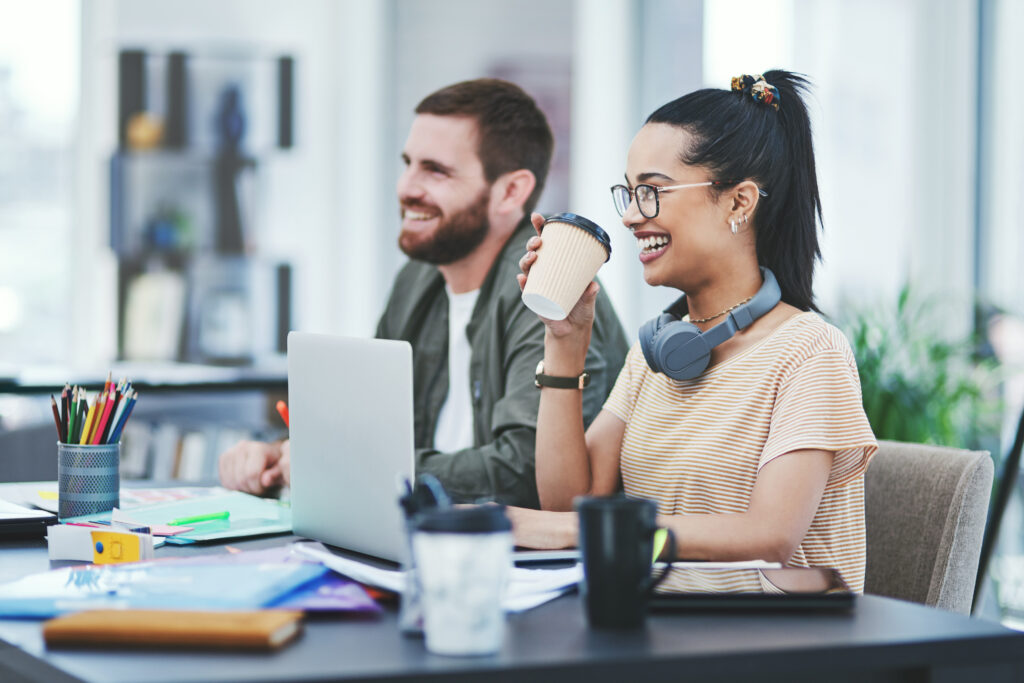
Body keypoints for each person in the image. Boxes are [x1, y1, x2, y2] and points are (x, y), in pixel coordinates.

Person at [511, 70, 877, 592]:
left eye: (653, 192)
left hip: (774, 650)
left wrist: (567, 530)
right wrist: (565, 340)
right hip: (659, 630)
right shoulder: (657, 353)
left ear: (738, 202)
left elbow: (768, 537)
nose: (633, 217)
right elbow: (571, 502)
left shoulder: (810, 352)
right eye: (630, 193)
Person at [219, 78, 629, 508]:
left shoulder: (546, 293)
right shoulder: (417, 280)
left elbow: (521, 474)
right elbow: (368, 427)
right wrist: (280, 455)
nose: (406, 188)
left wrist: (347, 469)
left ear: (511, 191)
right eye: (408, 164)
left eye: (435, 170)